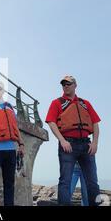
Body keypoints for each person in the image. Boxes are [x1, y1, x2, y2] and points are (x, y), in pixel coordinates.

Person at [45, 75, 101, 206]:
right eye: (63, 84)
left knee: (92, 182)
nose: (65, 86)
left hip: (86, 145)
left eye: (68, 84)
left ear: (75, 85)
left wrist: (95, 142)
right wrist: (62, 140)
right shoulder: (56, 102)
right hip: (68, 145)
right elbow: (51, 122)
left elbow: (95, 123)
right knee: (65, 181)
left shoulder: (85, 103)